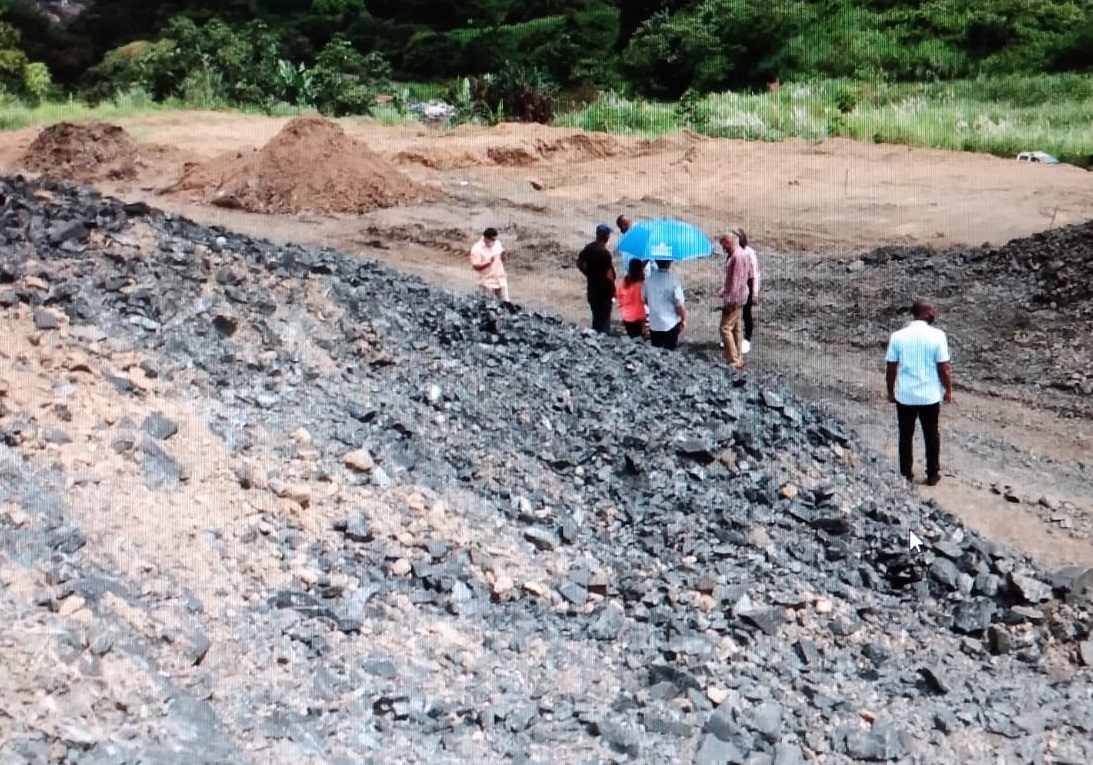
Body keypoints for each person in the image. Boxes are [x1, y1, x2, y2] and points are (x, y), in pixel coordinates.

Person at [885, 299, 954, 485]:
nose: (934, 313)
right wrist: (948, 389)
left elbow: (891, 368)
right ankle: (932, 474)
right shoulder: (938, 336)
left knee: (905, 435)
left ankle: (906, 473)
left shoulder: (897, 336)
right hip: (929, 396)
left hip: (905, 395)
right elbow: (944, 368)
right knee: (931, 434)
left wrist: (890, 391)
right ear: (923, 312)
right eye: (931, 310)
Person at [717, 232, 752, 370]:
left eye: (723, 245)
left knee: (725, 328)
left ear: (729, 242)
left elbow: (736, 281)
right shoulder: (742, 254)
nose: (723, 248)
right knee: (736, 328)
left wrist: (730, 301)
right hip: (741, 296)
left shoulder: (736, 257)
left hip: (735, 298)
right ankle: (739, 358)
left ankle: (733, 360)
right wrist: (725, 288)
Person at [576, 223, 616, 333]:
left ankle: (595, 336)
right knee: (604, 321)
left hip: (592, 290)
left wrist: (587, 273)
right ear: (606, 236)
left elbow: (579, 263)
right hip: (604, 293)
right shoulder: (605, 254)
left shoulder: (589, 248)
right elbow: (609, 276)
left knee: (596, 316)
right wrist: (614, 289)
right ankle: (601, 338)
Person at [642, 259, 687, 349]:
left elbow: (644, 300)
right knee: (670, 351)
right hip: (670, 324)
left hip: (654, 324)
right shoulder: (674, 281)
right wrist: (683, 319)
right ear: (669, 262)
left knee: (656, 351)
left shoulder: (648, 280)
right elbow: (679, 305)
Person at [733, 228, 761, 351]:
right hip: (736, 284)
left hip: (747, 284)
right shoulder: (733, 252)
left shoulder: (749, 253)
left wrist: (755, 292)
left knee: (746, 313)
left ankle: (747, 339)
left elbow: (755, 274)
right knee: (732, 311)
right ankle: (732, 337)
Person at [469, 227, 509, 301]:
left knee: (506, 303)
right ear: (486, 238)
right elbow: (476, 267)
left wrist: (504, 255)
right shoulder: (476, 249)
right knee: (490, 305)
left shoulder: (497, 244)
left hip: (501, 280)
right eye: (493, 240)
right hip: (487, 283)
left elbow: (504, 260)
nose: (494, 241)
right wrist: (489, 262)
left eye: (495, 239)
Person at [616, 258, 648, 338]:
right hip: (636, 319)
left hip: (626, 316)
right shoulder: (639, 286)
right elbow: (639, 307)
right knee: (638, 339)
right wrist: (643, 324)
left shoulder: (624, 281)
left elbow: (619, 297)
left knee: (631, 337)